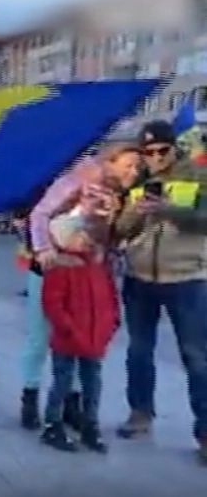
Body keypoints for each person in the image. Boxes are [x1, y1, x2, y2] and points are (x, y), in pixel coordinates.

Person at [21, 143, 140, 430]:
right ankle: (30, 397)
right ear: (109, 162)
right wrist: (44, 249)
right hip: (50, 270)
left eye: (137, 167)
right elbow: (39, 215)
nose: (135, 172)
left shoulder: (116, 195)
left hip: (84, 276)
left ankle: (71, 404)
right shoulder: (76, 179)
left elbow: (104, 240)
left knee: (78, 336)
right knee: (40, 337)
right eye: (129, 165)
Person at [114, 121, 207, 462]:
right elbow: (121, 230)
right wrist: (132, 215)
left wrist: (166, 210)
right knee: (139, 351)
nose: (155, 158)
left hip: (187, 277)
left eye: (162, 151)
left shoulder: (197, 175)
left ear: (174, 148)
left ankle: (205, 432)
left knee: (197, 358)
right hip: (140, 278)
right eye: (148, 152)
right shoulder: (138, 181)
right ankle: (140, 413)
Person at [39, 211, 119, 454]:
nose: (84, 239)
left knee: (92, 382)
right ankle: (53, 423)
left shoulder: (97, 266)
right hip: (70, 338)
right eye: (79, 234)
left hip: (94, 337)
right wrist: (68, 329)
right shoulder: (61, 265)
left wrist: (112, 323)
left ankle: (90, 424)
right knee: (62, 380)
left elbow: (111, 297)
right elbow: (52, 303)